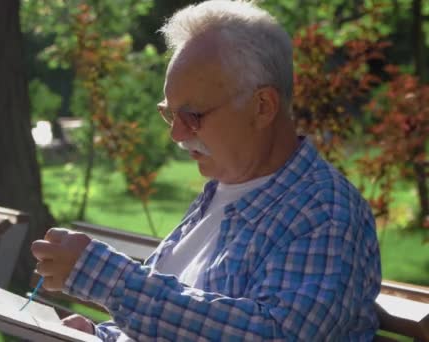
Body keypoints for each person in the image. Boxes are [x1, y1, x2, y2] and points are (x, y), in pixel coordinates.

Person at [31, 1, 381, 340]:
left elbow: (275, 335)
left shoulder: (324, 212)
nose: (177, 134)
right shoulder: (223, 191)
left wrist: (108, 279)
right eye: (170, 114)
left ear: (263, 106)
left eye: (193, 116)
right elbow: (182, 320)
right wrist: (100, 333)